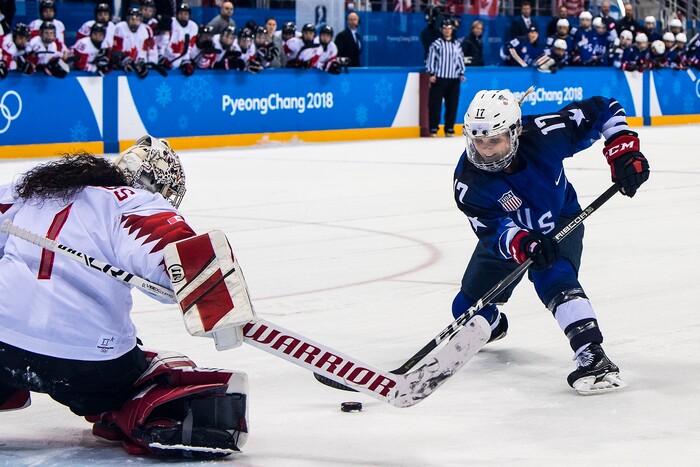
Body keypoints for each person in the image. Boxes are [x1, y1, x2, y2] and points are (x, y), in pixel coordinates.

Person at [0, 136, 249, 458]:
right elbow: (180, 258)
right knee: (152, 371)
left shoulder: (32, 192)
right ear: (154, 182)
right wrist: (220, 304)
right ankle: (136, 416)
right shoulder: (134, 202)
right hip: (84, 363)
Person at [453, 89, 649, 394]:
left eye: (494, 140)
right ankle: (492, 324)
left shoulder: (548, 133)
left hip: (559, 219)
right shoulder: (468, 182)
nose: (486, 151)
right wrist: (523, 242)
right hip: (512, 236)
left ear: (515, 132)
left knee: (555, 279)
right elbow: (492, 230)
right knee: (464, 309)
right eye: (478, 141)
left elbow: (605, 107)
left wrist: (623, 150)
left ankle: (591, 354)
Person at [426, 19, 465, 137]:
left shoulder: (457, 44)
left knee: (452, 105)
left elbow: (460, 60)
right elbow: (431, 59)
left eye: (449, 28)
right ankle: (433, 128)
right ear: (441, 30)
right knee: (435, 104)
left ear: (452, 30)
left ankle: (449, 128)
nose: (447, 31)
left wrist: (461, 73)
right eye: (445, 28)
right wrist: (431, 74)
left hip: (453, 79)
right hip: (439, 78)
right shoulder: (436, 44)